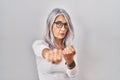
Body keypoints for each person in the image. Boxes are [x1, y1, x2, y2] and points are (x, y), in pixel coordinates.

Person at [32, 8, 80, 80]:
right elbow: (42, 50)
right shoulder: (40, 44)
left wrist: (70, 61)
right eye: (59, 24)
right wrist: (49, 54)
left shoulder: (69, 51)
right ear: (50, 25)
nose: (63, 29)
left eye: (66, 24)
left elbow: (73, 74)